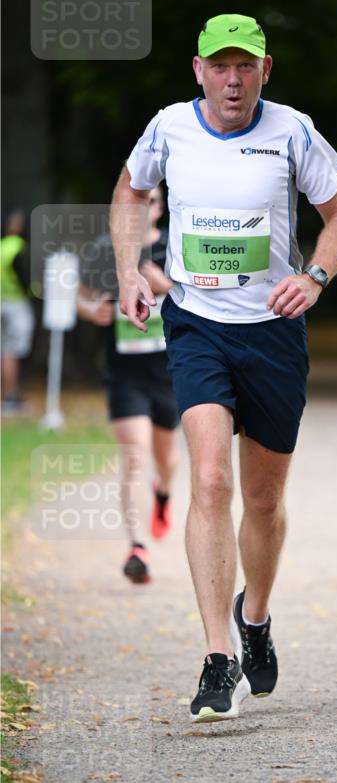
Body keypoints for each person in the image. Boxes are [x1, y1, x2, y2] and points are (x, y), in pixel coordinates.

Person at [111, 14, 337, 722]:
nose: (231, 79)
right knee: (211, 480)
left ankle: (255, 616)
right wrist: (129, 269)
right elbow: (130, 190)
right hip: (196, 325)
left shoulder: (293, 132)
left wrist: (314, 277)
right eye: (219, 66)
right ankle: (218, 657)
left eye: (244, 66)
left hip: (274, 333)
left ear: (264, 70)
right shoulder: (168, 128)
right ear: (198, 71)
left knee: (263, 500)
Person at [77, 186, 179, 583]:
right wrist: (92, 312)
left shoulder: (176, 244)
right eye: (135, 201)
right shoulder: (107, 250)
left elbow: (207, 298)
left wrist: (166, 285)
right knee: (134, 456)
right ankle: (137, 548)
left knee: (167, 460)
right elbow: (80, 297)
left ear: (160, 208)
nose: (141, 208)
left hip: (169, 369)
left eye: (150, 201)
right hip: (124, 371)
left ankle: (163, 494)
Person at [1, 210, 35, 415]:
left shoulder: (2, 246)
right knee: (11, 351)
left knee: (4, 350)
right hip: (15, 304)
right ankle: (10, 396)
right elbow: (24, 277)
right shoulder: (17, 247)